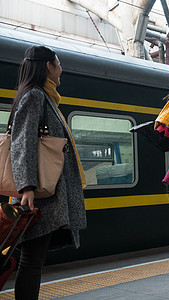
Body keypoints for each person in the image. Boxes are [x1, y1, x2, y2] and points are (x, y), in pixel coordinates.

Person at [9, 45, 87, 299]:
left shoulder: (42, 96)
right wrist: (26, 187)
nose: (61, 69)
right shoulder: (36, 96)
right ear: (48, 67)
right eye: (58, 63)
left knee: (33, 260)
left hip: (43, 192)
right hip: (37, 194)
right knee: (31, 261)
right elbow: (23, 142)